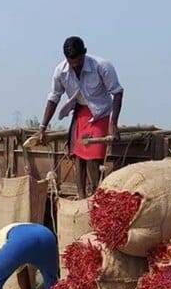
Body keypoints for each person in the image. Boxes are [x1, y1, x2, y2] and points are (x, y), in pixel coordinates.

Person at [39, 36, 124, 199]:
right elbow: (54, 98)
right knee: (78, 156)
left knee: (93, 155)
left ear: (84, 54)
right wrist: (43, 127)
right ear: (66, 59)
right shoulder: (60, 71)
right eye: (72, 63)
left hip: (101, 113)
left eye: (78, 61)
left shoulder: (102, 66)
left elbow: (117, 92)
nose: (76, 66)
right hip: (80, 113)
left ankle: (96, 193)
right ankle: (81, 195)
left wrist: (114, 123)